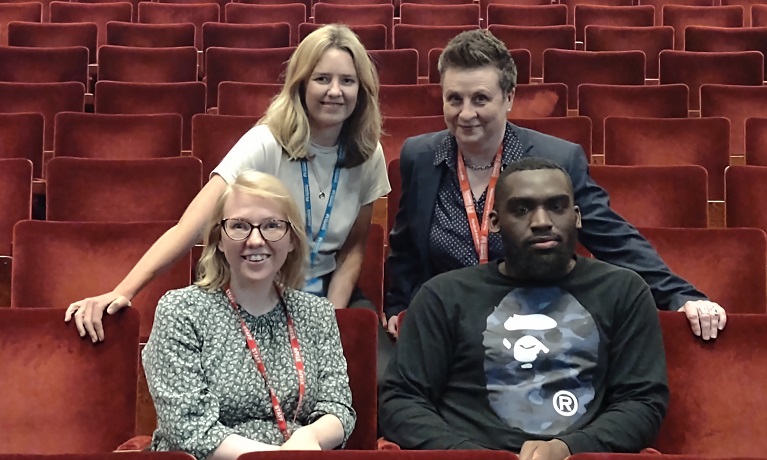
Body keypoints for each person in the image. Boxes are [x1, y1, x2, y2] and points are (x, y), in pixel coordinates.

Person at [385, 29, 726, 341]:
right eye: (454, 99)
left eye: (480, 99)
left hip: (533, 321)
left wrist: (680, 295)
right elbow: (405, 250)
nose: (465, 113)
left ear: (509, 98)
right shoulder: (420, 156)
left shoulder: (556, 158)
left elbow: (612, 236)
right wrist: (397, 307)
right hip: (448, 324)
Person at [65, 24, 391, 344]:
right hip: (260, 287)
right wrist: (124, 290)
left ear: (361, 90)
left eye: (347, 81)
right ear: (301, 85)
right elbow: (188, 229)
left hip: (328, 290)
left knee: (379, 375)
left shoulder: (368, 153)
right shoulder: (266, 142)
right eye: (323, 79)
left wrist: (327, 321)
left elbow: (352, 249)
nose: (335, 91)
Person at [379, 158, 669, 458]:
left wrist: (569, 448)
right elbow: (401, 402)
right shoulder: (443, 295)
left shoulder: (623, 290)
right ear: (494, 222)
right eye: (521, 209)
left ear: (577, 217)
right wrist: (474, 456)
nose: (542, 221)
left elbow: (642, 401)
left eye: (557, 206)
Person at [144, 171, 356, 460]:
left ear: (292, 239)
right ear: (219, 240)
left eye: (272, 226)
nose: (256, 240)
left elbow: (339, 408)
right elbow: (188, 427)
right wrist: (275, 457)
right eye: (240, 226)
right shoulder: (181, 311)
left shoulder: (316, 313)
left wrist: (310, 435)